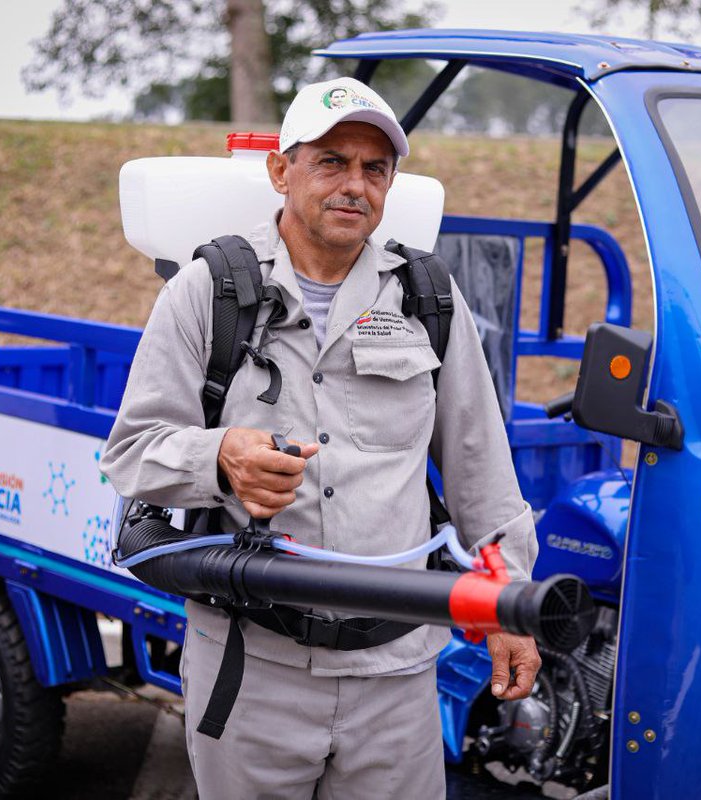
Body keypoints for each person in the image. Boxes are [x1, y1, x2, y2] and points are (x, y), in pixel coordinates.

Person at [101, 76, 539, 799]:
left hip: (395, 675)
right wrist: (221, 457)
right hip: (250, 668)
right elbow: (131, 451)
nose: (354, 185)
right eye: (331, 161)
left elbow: (480, 472)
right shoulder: (207, 291)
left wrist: (508, 604)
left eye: (375, 168)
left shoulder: (428, 299)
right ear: (282, 170)